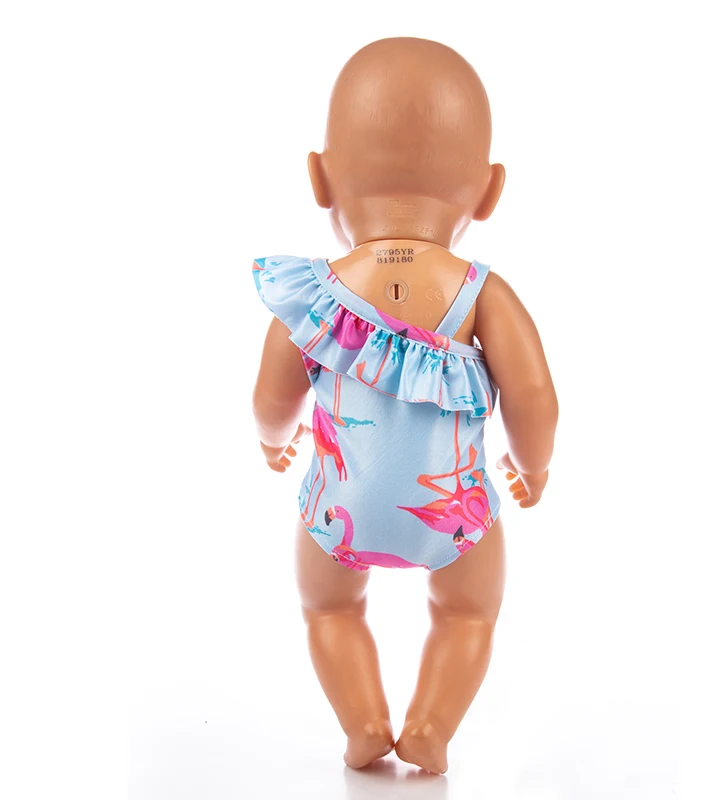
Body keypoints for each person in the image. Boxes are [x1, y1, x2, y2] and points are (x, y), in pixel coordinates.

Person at [251, 37, 558, 774]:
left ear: (321, 178)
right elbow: (534, 397)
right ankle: (430, 727)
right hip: (452, 512)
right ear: (488, 192)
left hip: (338, 511)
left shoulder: (314, 294)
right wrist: (533, 466)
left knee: (329, 608)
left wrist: (272, 439)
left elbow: (270, 396)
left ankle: (363, 722)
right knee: (468, 613)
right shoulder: (482, 294)